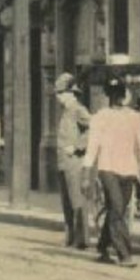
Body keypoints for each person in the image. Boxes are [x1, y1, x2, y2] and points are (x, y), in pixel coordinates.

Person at [84, 76, 140, 268]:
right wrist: (86, 175)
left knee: (117, 210)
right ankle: (125, 254)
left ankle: (102, 246)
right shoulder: (100, 117)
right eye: (115, 94)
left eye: (121, 94)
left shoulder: (134, 117)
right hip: (107, 168)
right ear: (109, 96)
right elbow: (92, 147)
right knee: (117, 208)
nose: (119, 97)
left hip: (128, 169)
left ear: (125, 95)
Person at [54, 73, 96, 250]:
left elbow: (93, 128)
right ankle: (71, 238)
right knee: (67, 203)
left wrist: (78, 146)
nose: (58, 97)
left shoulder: (78, 109)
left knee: (77, 201)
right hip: (64, 163)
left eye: (61, 92)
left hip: (74, 162)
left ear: (71, 93)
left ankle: (81, 240)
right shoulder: (66, 111)